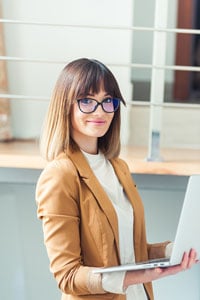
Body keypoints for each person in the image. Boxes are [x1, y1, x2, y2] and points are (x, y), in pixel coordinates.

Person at [35, 58, 197, 300]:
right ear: (65, 106)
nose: (100, 111)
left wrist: (175, 252)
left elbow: (129, 252)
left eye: (108, 101)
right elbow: (68, 277)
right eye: (87, 101)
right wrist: (141, 276)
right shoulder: (60, 175)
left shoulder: (117, 167)